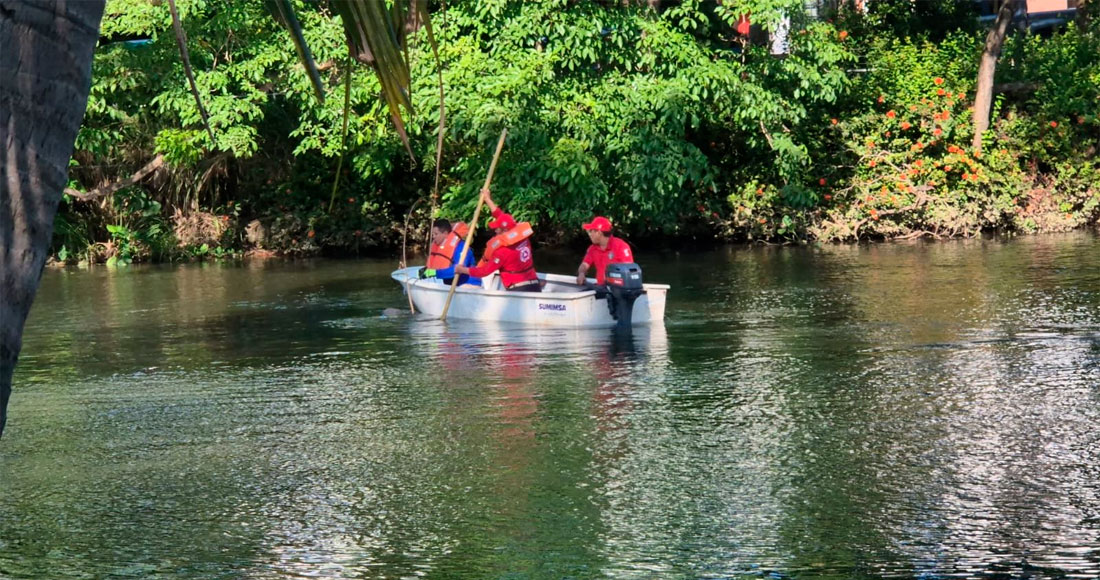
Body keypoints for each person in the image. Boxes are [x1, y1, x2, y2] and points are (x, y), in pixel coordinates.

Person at [454, 188, 540, 292]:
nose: (495, 231)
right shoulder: (523, 237)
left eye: (497, 229)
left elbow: (484, 271)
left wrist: (461, 269)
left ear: (504, 230)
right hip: (535, 285)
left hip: (518, 289)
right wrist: (487, 199)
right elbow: (501, 216)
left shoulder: (501, 252)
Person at [419, 218, 481, 287]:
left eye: (436, 234)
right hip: (451, 286)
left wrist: (434, 272)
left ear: (445, 233)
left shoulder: (462, 248)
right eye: (433, 234)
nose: (433, 237)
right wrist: (427, 270)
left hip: (469, 285)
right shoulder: (440, 248)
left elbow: (458, 269)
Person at [575, 216, 633, 286]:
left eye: (591, 231)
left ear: (598, 233)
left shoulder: (621, 247)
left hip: (617, 289)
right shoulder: (592, 248)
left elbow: (629, 271)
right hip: (601, 288)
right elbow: (584, 264)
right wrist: (581, 273)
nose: (590, 235)